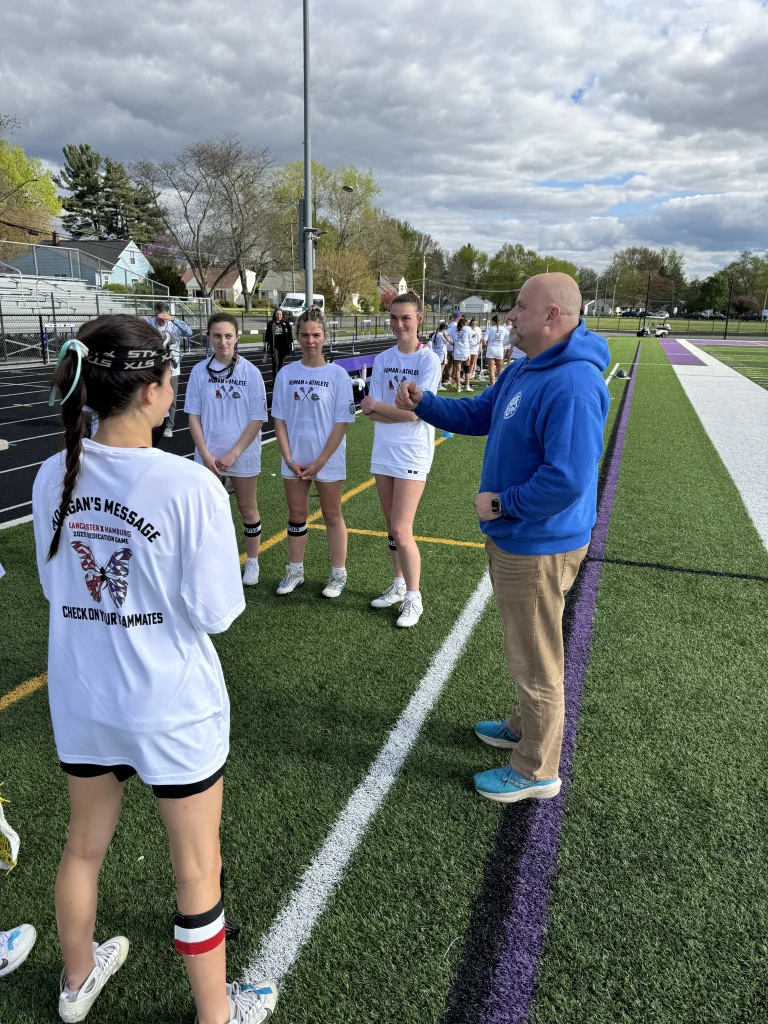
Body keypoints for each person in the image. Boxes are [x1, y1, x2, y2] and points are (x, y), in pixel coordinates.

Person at [32, 315, 277, 1024]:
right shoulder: (189, 486)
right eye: (170, 377)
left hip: (84, 698)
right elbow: (217, 613)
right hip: (171, 707)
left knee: (82, 848)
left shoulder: (55, 473)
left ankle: (76, 981)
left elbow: (59, 589)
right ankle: (215, 1014)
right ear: (150, 388)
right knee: (196, 870)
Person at [395, 273, 609, 802]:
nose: (510, 316)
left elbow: (568, 478)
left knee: (536, 659)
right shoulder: (526, 368)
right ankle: (523, 725)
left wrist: (503, 504)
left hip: (539, 541)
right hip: (516, 537)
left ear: (552, 316)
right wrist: (425, 403)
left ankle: (537, 770)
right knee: (525, 646)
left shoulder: (574, 383)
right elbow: (479, 413)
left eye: (519, 307)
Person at [361, 291, 441, 628]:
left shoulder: (428, 361)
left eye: (405, 317)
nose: (398, 324)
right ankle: (398, 585)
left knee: (401, 528)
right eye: (393, 317)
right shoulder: (382, 359)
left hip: (412, 453)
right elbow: (374, 415)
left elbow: (413, 416)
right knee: (390, 529)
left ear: (419, 319)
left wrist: (380, 407)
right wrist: (385, 409)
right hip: (384, 452)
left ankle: (414, 597)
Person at [271, 308, 356, 599]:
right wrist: (289, 458)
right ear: (297, 337)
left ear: (325, 337)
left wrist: (320, 461)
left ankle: (337, 574)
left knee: (332, 515)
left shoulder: (338, 375)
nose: (310, 340)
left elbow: (342, 422)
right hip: (294, 461)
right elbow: (279, 418)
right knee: (296, 515)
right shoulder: (286, 373)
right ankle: (295, 570)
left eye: (316, 335)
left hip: (327, 460)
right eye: (305, 335)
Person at [185, 313, 267, 588]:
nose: (223, 342)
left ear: (237, 337)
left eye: (228, 336)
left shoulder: (251, 373)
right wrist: (206, 455)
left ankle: (252, 562)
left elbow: (257, 418)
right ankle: (212, 563)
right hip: (208, 456)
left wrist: (234, 453)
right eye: (217, 336)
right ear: (209, 337)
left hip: (242, 454)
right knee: (208, 514)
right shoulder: (199, 372)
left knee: (247, 509)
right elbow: (193, 417)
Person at [145, 302, 193, 438]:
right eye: (158, 317)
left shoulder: (173, 324)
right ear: (155, 314)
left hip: (172, 368)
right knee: (150, 394)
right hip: (153, 366)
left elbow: (189, 332)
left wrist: (173, 319)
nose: (161, 320)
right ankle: (151, 421)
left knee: (171, 396)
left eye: (164, 318)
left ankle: (169, 426)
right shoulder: (148, 324)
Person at [264, 308, 293, 378]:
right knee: (275, 363)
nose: (278, 315)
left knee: (281, 364)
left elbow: (290, 336)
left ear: (282, 315)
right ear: (275, 315)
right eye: (277, 314)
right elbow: (267, 336)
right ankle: (275, 380)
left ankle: (281, 379)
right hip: (274, 346)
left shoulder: (286, 324)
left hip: (283, 346)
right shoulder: (271, 324)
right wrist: (266, 347)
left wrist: (291, 347)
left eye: (280, 314)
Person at [483, 315, 506, 386]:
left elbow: (484, 340)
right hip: (499, 350)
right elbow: (510, 338)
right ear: (499, 321)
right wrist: (503, 344)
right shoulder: (504, 329)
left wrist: (487, 345)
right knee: (500, 369)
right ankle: (501, 385)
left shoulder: (490, 329)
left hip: (491, 349)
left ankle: (493, 385)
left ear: (493, 321)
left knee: (491, 369)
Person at [452, 317, 472, 391]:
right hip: (465, 351)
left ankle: (458, 387)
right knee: (467, 369)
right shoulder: (468, 329)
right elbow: (469, 339)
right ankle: (467, 386)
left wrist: (451, 342)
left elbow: (447, 334)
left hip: (457, 351)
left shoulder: (455, 329)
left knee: (457, 370)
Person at [429, 322, 450, 389]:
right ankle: (439, 384)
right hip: (441, 353)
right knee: (440, 370)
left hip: (435, 352)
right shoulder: (441, 335)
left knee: (437, 369)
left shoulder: (434, 334)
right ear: (444, 329)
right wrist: (446, 336)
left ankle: (436, 384)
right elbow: (447, 341)